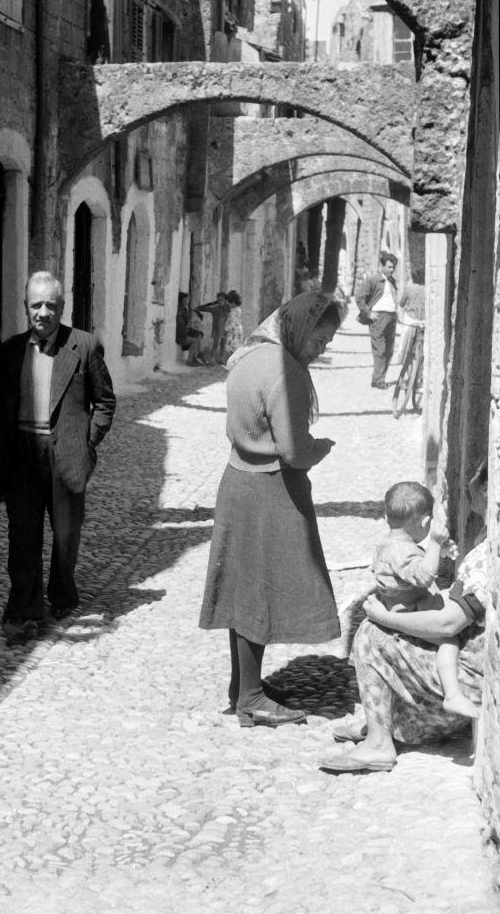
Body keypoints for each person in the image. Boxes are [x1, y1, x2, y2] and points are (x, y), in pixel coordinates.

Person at [199, 292, 342, 727]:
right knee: (259, 592)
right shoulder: (286, 371)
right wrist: (321, 448)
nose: (320, 350)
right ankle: (251, 697)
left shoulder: (249, 356)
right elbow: (294, 451)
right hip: (270, 489)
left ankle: (243, 686)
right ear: (300, 328)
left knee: (243, 589)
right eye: (319, 340)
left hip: (237, 481)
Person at [320, 460, 488, 774]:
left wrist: (384, 617)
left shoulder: (488, 554)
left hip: (473, 677)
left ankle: (380, 742)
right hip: (474, 666)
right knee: (380, 629)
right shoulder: (483, 541)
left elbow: (448, 623)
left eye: (478, 478)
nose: (470, 485)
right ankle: (379, 725)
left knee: (372, 633)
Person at [0, 271, 116, 640]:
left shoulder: (84, 346)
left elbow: (105, 402)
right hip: (23, 456)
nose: (43, 312)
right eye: (36, 305)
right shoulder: (9, 351)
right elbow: (5, 412)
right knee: (23, 535)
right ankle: (24, 609)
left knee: (66, 534)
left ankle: (62, 592)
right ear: (26, 307)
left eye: (51, 305)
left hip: (66, 455)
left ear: (62, 307)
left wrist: (86, 443)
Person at [370, 481, 475, 719]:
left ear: (386, 517)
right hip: (408, 613)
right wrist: (435, 544)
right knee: (450, 641)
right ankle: (452, 694)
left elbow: (412, 566)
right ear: (426, 522)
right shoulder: (401, 551)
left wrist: (439, 550)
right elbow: (424, 576)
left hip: (404, 605)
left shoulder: (389, 544)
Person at [354, 251, 398, 389]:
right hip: (378, 318)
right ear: (382, 266)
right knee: (380, 349)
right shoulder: (372, 280)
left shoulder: (392, 281)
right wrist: (368, 313)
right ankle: (379, 380)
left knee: (389, 350)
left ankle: (379, 378)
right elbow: (359, 297)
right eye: (389, 267)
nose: (391, 270)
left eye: (393, 267)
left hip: (392, 317)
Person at [397, 267, 425, 365]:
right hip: (423, 319)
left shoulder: (408, 289)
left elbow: (402, 303)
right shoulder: (426, 289)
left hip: (411, 318)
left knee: (404, 337)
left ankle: (401, 358)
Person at [196, 291, 230, 364]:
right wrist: (212, 303)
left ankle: (221, 359)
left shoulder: (228, 308)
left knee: (223, 345)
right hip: (216, 329)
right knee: (216, 344)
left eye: (222, 300)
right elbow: (200, 308)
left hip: (225, 329)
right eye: (218, 300)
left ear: (225, 300)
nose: (220, 301)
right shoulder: (215, 308)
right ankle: (212, 359)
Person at [175, 292, 205, 366]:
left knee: (199, 334)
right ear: (181, 300)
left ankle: (196, 356)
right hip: (181, 336)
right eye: (185, 300)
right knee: (195, 340)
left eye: (187, 300)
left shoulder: (184, 309)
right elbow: (186, 323)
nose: (186, 301)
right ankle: (190, 360)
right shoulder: (181, 310)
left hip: (184, 332)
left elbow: (187, 323)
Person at [221, 290, 243, 363]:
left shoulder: (233, 311)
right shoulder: (238, 309)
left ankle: (228, 362)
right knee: (235, 347)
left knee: (230, 347)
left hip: (233, 332)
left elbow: (232, 323)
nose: (228, 304)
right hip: (238, 331)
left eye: (229, 302)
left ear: (233, 302)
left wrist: (225, 329)